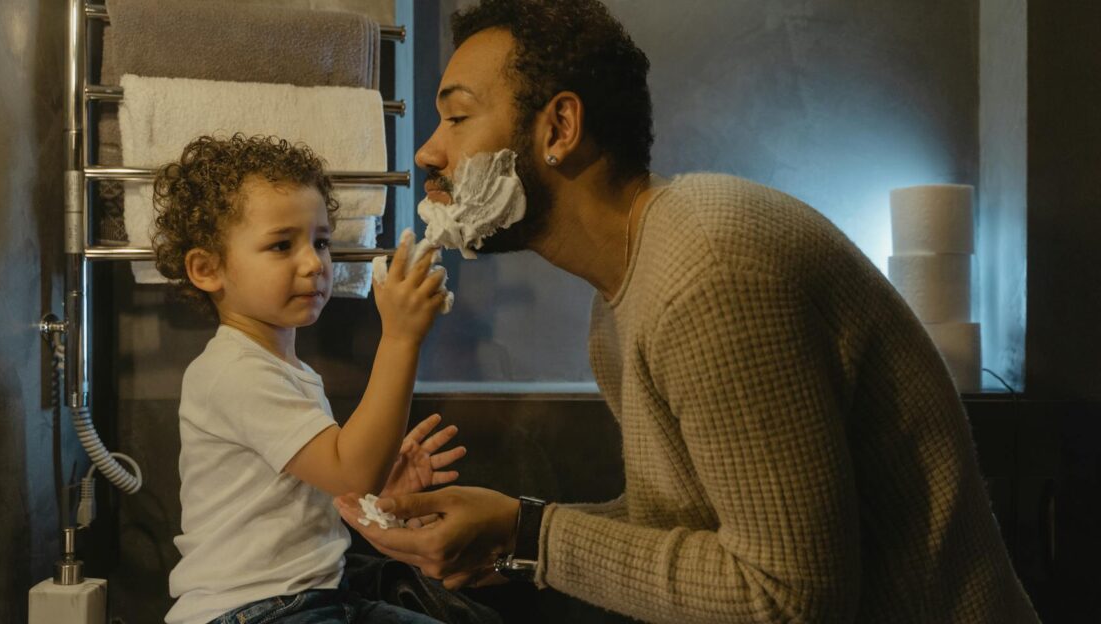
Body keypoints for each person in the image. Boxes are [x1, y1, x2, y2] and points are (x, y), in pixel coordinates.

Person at [335, 1, 1042, 623]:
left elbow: (789, 599)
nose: (429, 149)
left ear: (560, 126)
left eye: (457, 116)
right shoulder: (627, 295)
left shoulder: (708, 272)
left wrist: (529, 537)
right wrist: (516, 533)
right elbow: (700, 537)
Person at [152, 133, 463, 624]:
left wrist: (379, 484)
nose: (314, 263)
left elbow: (334, 480)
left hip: (310, 598)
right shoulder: (233, 373)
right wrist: (400, 338)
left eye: (321, 241)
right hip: (254, 611)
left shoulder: (288, 372)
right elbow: (347, 468)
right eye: (281, 245)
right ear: (207, 269)